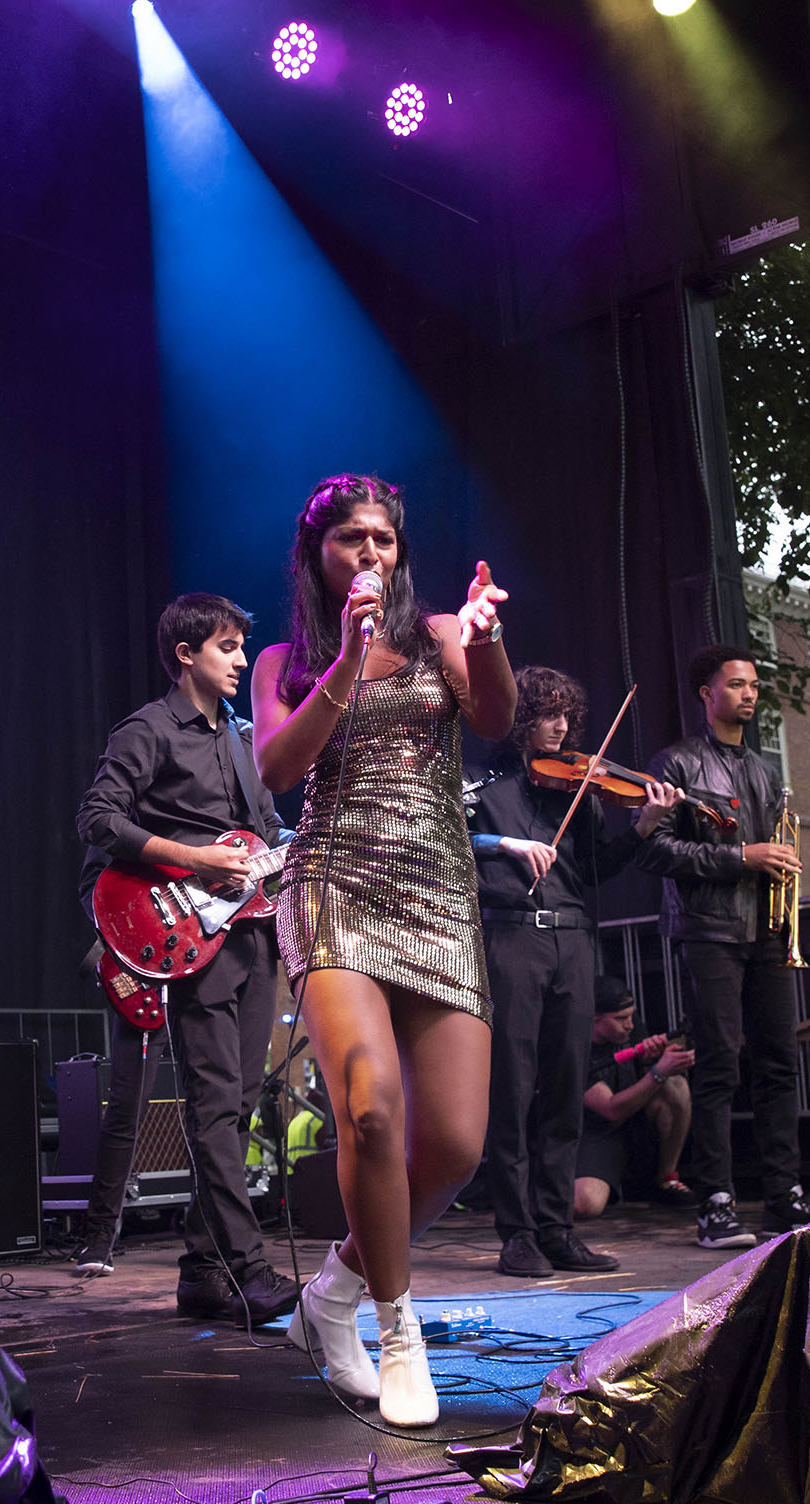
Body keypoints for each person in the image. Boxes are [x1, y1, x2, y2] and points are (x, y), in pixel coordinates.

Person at [251, 473, 514, 1428]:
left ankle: (328, 1294)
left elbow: (493, 717)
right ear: (316, 552)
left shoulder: (441, 632)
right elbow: (278, 771)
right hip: (332, 883)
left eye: (385, 539)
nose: (370, 552)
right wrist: (346, 662)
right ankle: (398, 1328)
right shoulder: (285, 657)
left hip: (439, 892)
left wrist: (486, 642)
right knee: (369, 1108)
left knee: (452, 1143)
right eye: (351, 537)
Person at [74, 595, 300, 1326]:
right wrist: (192, 859)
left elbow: (266, 837)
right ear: (186, 652)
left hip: (253, 932)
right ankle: (249, 1265)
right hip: (188, 936)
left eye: (241, 647)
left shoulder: (246, 739)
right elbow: (98, 817)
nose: (241, 660)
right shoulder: (148, 730)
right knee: (210, 1105)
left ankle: (203, 1269)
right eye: (228, 647)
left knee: (236, 1105)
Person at [469, 665, 680, 1277]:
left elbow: (592, 872)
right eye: (547, 714)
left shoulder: (578, 792)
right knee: (512, 1086)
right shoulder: (486, 791)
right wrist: (505, 850)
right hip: (511, 940)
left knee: (565, 1088)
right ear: (519, 721)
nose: (561, 726)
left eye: (567, 715)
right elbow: (456, 850)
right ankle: (517, 1233)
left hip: (573, 943)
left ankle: (557, 1228)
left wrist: (642, 827)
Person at [636, 646, 810, 1251]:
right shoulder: (678, 763)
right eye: (737, 684)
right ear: (705, 693)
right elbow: (656, 851)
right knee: (718, 1065)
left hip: (767, 933)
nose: (749, 694)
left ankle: (784, 1193)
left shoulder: (764, 773)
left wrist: (777, 861)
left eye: (755, 685)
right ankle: (715, 1201)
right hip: (709, 929)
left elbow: (770, 846)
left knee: (778, 1065)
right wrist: (742, 858)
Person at [577, 976, 693, 1221]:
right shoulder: (576, 1049)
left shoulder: (630, 1028)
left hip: (635, 1122)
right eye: (620, 1019)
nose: (630, 1025)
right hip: (597, 1133)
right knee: (586, 1203)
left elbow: (648, 1075)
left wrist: (653, 1060)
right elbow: (610, 1109)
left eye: (631, 1016)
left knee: (676, 1087)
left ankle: (666, 1178)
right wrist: (658, 1071)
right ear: (595, 1018)